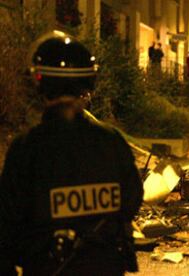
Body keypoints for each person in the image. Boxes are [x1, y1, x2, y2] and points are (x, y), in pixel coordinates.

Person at [0, 31, 143, 275]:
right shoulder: (111, 142)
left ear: (39, 81)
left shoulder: (26, 149)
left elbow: (6, 225)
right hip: (105, 266)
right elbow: (132, 200)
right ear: (88, 82)